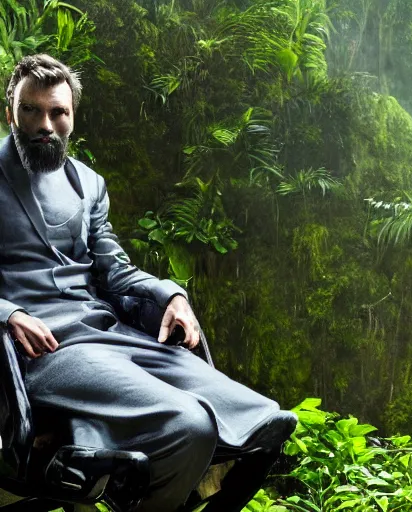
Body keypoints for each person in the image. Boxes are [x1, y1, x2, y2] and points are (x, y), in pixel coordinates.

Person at [0, 54, 296, 511]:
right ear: (11, 114)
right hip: (45, 350)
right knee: (189, 425)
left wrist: (171, 294)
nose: (45, 124)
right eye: (31, 110)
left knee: (266, 420)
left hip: (110, 333)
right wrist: (9, 313)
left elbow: (115, 270)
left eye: (57, 112)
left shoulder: (88, 185)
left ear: (72, 117)